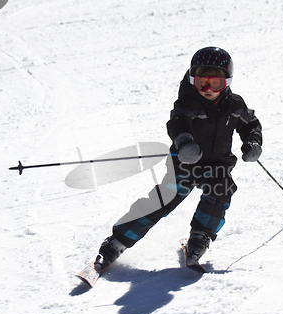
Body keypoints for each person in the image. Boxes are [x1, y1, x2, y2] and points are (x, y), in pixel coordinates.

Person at [94, 46, 262, 271]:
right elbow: (178, 122)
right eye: (203, 82)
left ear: (227, 83)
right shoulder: (187, 102)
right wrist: (185, 142)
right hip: (185, 164)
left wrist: (253, 141)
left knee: (220, 192)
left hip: (217, 166)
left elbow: (251, 123)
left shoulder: (235, 105)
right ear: (193, 80)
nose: (209, 89)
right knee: (162, 202)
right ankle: (117, 242)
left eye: (217, 83)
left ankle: (200, 237)